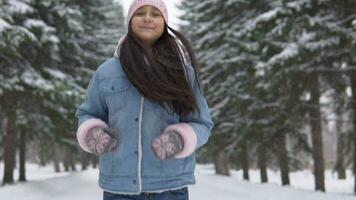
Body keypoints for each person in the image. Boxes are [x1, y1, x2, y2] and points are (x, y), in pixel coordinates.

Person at [75, 0, 214, 199]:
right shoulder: (107, 71)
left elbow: (202, 122)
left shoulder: (182, 72)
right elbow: (88, 113)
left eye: (155, 14)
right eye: (140, 13)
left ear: (164, 23)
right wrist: (92, 132)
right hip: (119, 188)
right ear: (130, 20)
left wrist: (181, 139)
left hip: (170, 187)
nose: (148, 18)